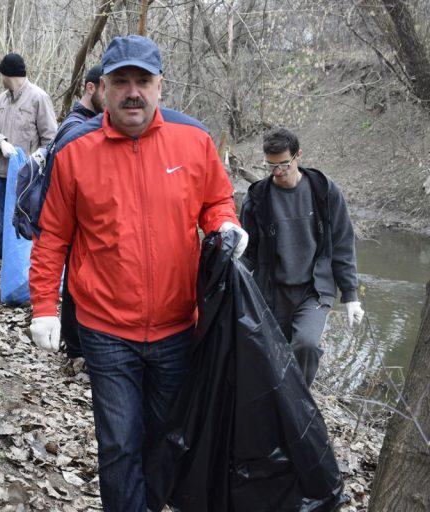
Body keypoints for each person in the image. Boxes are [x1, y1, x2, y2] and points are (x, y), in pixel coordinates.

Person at [28, 35, 248, 511]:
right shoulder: (75, 150)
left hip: (177, 326)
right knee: (119, 443)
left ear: (160, 86)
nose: (133, 93)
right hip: (106, 328)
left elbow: (216, 200)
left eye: (143, 81)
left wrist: (225, 225)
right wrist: (44, 305)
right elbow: (53, 236)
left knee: (166, 439)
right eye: (122, 81)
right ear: (103, 89)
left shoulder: (194, 140)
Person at [240, 128, 364, 386]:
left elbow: (342, 243)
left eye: (284, 164)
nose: (277, 171)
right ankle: (277, 403)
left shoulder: (323, 190)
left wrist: (350, 295)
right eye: (271, 165)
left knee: (306, 345)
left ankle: (300, 402)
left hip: (313, 291)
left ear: (298, 155)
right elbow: (249, 252)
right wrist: (228, 274)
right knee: (269, 356)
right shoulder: (258, 197)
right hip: (271, 292)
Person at [54, 63, 104, 361]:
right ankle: (75, 347)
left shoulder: (89, 122)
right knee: (75, 282)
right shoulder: (76, 127)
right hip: (77, 219)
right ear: (90, 88)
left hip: (86, 219)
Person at [0, 52, 57, 239]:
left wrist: (36, 168)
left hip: (26, 181)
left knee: (23, 231)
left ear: (7, 75)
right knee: (3, 228)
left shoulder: (39, 98)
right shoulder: (3, 99)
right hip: (1, 175)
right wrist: (1, 143)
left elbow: (51, 140)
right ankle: (4, 259)